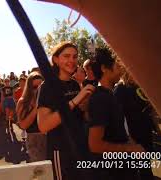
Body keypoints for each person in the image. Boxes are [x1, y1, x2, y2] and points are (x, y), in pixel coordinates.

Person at [37, 42, 95, 180]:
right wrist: (75, 101)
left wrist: (86, 106)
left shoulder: (74, 83)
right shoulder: (47, 87)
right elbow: (43, 126)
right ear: (56, 59)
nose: (72, 60)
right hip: (61, 151)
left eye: (75, 57)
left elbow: (82, 117)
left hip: (80, 147)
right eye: (66, 56)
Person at [88, 48, 145, 180]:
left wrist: (131, 144)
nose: (121, 70)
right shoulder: (100, 98)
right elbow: (95, 144)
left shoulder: (110, 95)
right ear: (104, 68)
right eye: (117, 66)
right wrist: (129, 149)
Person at [114, 70, 155, 180]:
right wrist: (130, 141)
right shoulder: (120, 90)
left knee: (146, 167)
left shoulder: (138, 85)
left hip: (146, 135)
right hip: (134, 138)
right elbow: (119, 119)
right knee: (142, 171)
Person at [16, 72, 46, 162]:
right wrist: (36, 107)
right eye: (35, 87)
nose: (38, 90)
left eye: (41, 87)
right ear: (29, 88)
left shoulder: (47, 99)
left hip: (50, 138)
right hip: (34, 140)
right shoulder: (23, 102)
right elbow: (23, 125)